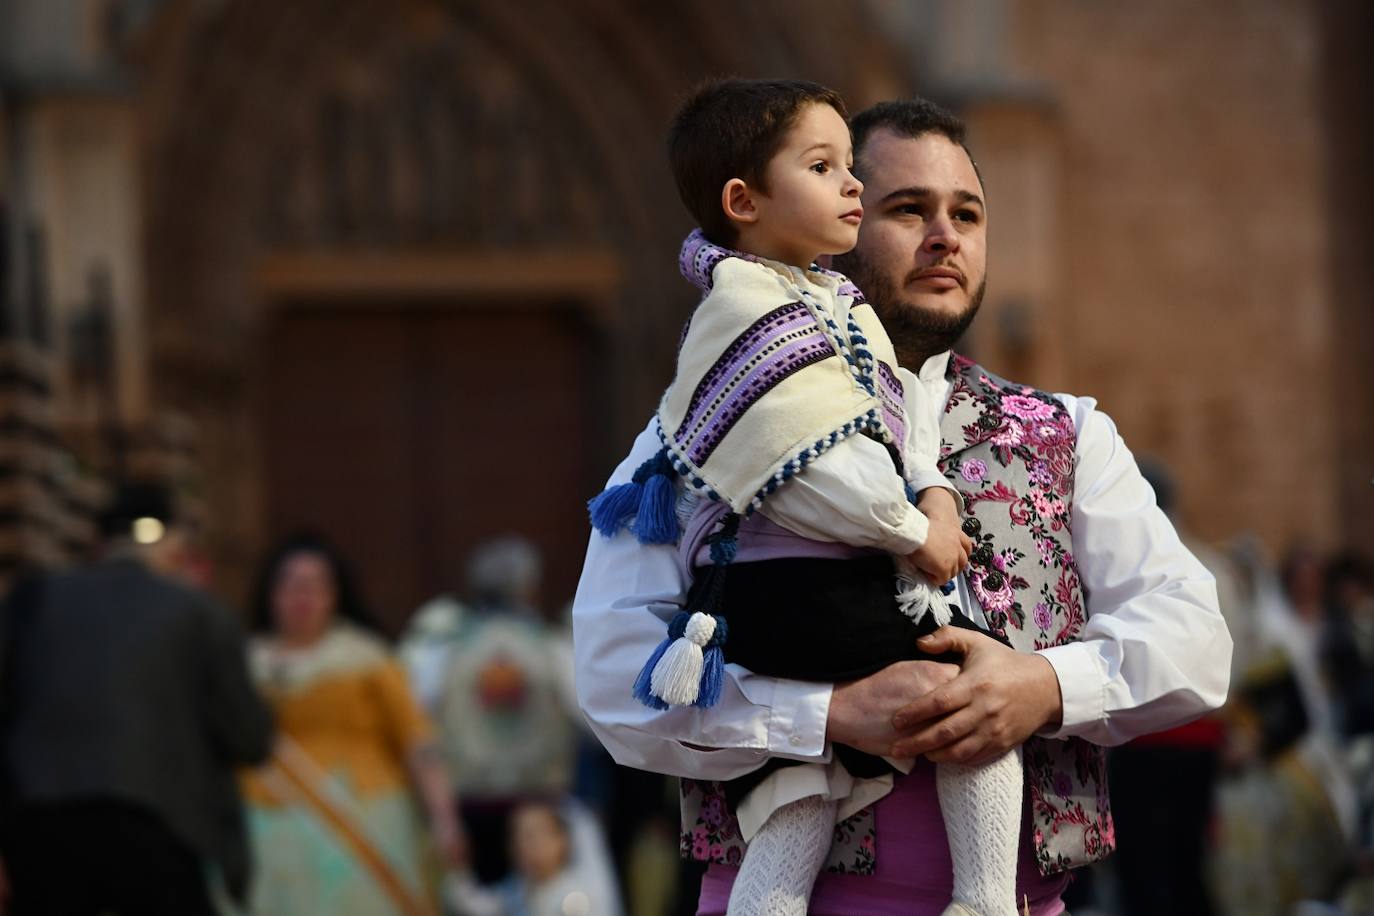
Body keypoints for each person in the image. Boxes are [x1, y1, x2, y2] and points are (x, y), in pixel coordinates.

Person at [573, 96, 1232, 915]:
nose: (945, 235)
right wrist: (823, 715)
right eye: (906, 208)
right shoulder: (710, 424)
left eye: (967, 213)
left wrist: (1040, 686)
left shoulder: (1068, 433)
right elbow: (610, 676)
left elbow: (1196, 642)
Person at [585, 79, 1015, 916]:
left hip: (796, 598)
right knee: (971, 700)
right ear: (744, 201)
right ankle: (986, 900)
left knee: (800, 800)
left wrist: (933, 493)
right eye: (829, 168)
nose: (848, 186)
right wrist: (908, 531)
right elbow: (803, 457)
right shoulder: (755, 315)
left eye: (967, 214)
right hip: (806, 593)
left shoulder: (825, 306)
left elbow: (886, 424)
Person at [0, 482, 273, 915]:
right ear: (173, 543)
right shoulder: (199, 613)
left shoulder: (32, 600)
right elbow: (250, 738)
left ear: (98, 541)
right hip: (159, 826)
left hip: (39, 829)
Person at [241, 532, 466, 916]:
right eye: (291, 585)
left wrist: (445, 819)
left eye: (315, 586)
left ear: (335, 594)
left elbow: (417, 741)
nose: (302, 597)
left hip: (365, 821)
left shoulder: (368, 659)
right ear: (270, 592)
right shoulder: (243, 662)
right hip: (263, 825)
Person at [398, 536, 581, 886]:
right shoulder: (549, 646)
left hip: (470, 798)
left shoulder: (444, 649)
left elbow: (416, 717)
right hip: (537, 801)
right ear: (527, 588)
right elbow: (588, 714)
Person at [445, 798, 625, 916]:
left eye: (533, 835)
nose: (523, 845)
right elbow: (475, 903)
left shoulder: (577, 898)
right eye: (517, 836)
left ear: (561, 841)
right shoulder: (518, 890)